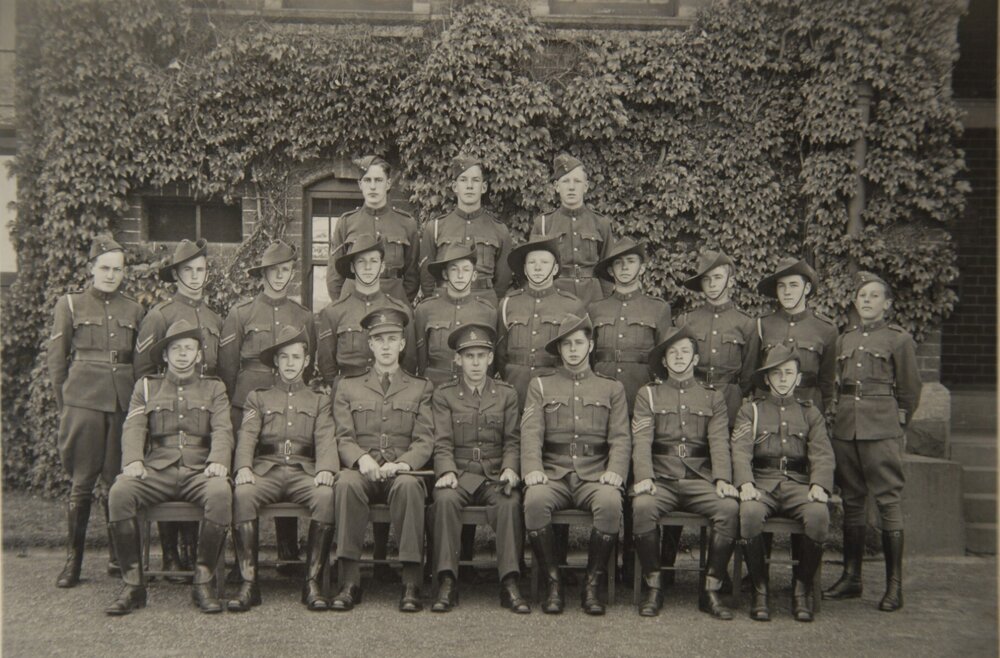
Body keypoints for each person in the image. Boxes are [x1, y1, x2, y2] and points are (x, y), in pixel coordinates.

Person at [104, 320, 233, 615]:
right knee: (120, 492)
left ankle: (203, 583)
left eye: (189, 348)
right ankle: (133, 586)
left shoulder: (214, 388)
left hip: (199, 469)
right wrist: (133, 459)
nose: (183, 354)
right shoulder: (146, 387)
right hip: (157, 469)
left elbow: (223, 429)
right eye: (176, 349)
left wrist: (218, 461)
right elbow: (134, 426)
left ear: (199, 355)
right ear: (165, 355)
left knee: (220, 492)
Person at [46, 235, 144, 588]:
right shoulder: (70, 304)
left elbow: (138, 361)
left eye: (117, 269)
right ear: (91, 269)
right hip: (83, 401)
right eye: (105, 268)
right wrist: (67, 406)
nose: (111, 275)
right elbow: (57, 363)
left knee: (117, 481)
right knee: (82, 483)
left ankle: (119, 558)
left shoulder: (134, 309)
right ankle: (74, 561)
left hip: (120, 401)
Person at [823, 271, 921, 612]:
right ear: (855, 302)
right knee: (852, 501)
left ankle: (894, 585)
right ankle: (852, 577)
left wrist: (897, 425)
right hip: (847, 427)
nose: (866, 301)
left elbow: (909, 391)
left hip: (881, 427)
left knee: (888, 502)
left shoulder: (898, 340)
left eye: (874, 296)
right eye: (862, 296)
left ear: (887, 304)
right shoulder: (844, 339)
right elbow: (836, 384)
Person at [521, 313, 630, 616]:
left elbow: (621, 437)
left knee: (610, 502)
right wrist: (533, 468)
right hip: (553, 473)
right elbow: (531, 432)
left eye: (578, 343)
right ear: (558, 350)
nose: (572, 349)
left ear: (590, 345)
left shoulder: (612, 389)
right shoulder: (540, 386)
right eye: (566, 344)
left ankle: (591, 586)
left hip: (594, 474)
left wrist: (615, 471)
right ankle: (553, 583)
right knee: (534, 500)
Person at [629, 326, 740, 619]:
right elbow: (641, 440)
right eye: (672, 353)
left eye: (685, 353)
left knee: (728, 507)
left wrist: (722, 480)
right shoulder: (648, 395)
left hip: (698, 479)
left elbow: (718, 441)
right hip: (662, 480)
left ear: (695, 359)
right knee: (642, 506)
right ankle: (654, 586)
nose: (679, 358)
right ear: (664, 361)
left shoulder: (712, 397)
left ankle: (710, 590)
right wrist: (644, 477)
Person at [219, 239, 315, 572]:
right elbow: (227, 367)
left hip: (288, 401)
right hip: (246, 402)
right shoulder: (241, 313)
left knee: (283, 461)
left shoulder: (302, 316)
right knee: (243, 472)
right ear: (263, 273)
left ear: (292, 273)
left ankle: (288, 551)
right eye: (273, 270)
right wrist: (238, 404)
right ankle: (243, 558)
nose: (279, 276)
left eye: (285, 270)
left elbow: (309, 364)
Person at [332, 308, 435, 613]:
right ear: (371, 345)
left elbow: (425, 439)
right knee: (347, 484)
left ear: (403, 344)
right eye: (380, 340)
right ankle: (349, 581)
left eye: (392, 339)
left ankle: (411, 583)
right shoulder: (348, 387)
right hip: (364, 470)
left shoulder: (420, 387)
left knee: (409, 486)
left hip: (399, 470)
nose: (386, 346)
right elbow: (343, 436)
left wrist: (403, 464)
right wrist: (361, 459)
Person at [229, 326, 338, 612]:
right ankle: (249, 583)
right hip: (268, 470)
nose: (290, 364)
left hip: (304, 472)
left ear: (306, 361)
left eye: (296, 357)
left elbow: (326, 438)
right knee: (242, 494)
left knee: (326, 496)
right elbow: (248, 435)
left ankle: (311, 582)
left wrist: (326, 469)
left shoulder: (319, 400)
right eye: (284, 357)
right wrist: (243, 467)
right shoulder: (258, 397)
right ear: (276, 362)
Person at [134, 238, 223, 581]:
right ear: (176, 274)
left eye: (201, 270)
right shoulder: (161, 315)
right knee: (169, 465)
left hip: (203, 403)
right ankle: (171, 554)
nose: (196, 276)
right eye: (188, 270)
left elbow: (221, 370)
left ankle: (193, 553)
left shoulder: (213, 317)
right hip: (167, 409)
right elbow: (144, 371)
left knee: (198, 471)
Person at [429, 324, 528, 614]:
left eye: (480, 356)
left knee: (510, 503)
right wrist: (445, 471)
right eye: (468, 356)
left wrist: (511, 469)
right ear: (457, 360)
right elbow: (442, 442)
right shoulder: (444, 395)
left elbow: (512, 441)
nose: (474, 363)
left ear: (490, 359)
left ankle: (509, 582)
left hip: (493, 476)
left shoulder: (506, 395)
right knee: (444, 501)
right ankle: (447, 580)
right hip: (458, 475)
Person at [732, 345, 835, 622]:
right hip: (762, 483)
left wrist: (820, 485)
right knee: (750, 512)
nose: (782, 379)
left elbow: (823, 454)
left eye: (788, 373)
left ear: (798, 378)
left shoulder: (810, 413)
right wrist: (745, 483)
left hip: (799, 485)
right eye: (776, 374)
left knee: (818, 514)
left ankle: (801, 590)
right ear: (766, 379)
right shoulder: (750, 412)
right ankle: (759, 590)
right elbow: (740, 450)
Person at [496, 234, 585, 409]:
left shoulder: (572, 305)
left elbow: (581, 355)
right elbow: (500, 353)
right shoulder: (508, 303)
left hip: (556, 391)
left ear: (554, 269)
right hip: (516, 388)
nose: (537, 268)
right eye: (532, 263)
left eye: (544, 263)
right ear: (525, 268)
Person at [316, 234, 416, 386]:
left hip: (387, 395)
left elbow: (409, 363)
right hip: (347, 397)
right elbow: (327, 367)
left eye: (374, 261)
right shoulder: (334, 312)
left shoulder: (400, 311)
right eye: (361, 261)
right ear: (352, 267)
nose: (368, 267)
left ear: (382, 267)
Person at [588, 237, 672, 415]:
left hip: (641, 398)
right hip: (601, 399)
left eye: (631, 261)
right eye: (618, 263)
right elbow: (589, 359)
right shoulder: (596, 309)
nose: (624, 267)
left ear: (641, 268)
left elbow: (666, 362)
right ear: (611, 270)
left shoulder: (658, 309)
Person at [419, 154, 513, 305]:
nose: (469, 186)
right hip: (444, 303)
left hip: (483, 303)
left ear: (483, 188)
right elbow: (427, 278)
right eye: (463, 180)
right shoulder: (435, 228)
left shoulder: (499, 230)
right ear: (455, 187)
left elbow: (502, 282)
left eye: (475, 180)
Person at [327, 155, 420, 304]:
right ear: (360, 185)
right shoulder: (346, 222)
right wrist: (343, 308)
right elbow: (334, 276)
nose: (372, 186)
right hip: (353, 302)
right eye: (367, 180)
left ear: (388, 184)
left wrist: (400, 306)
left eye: (378, 180)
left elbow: (412, 276)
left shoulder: (406, 223)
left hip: (393, 301)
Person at [755, 257, 837, 412]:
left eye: (793, 285)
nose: (787, 292)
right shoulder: (763, 324)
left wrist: (820, 411)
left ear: (806, 288)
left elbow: (827, 381)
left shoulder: (825, 328)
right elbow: (753, 372)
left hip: (808, 407)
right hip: (768, 408)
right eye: (781, 286)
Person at [531, 153, 614, 306]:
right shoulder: (543, 224)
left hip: (593, 297)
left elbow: (608, 270)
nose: (571, 187)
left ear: (586, 186)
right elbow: (532, 269)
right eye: (565, 181)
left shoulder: (600, 223)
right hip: (556, 296)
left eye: (577, 181)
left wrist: (606, 304)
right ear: (556, 187)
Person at [414, 244, 497, 387]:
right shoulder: (425, 309)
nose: (460, 275)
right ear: (445, 274)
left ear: (474, 275)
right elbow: (421, 360)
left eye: (466, 270)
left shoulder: (488, 312)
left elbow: (490, 362)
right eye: (454, 269)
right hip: (435, 384)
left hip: (472, 386)